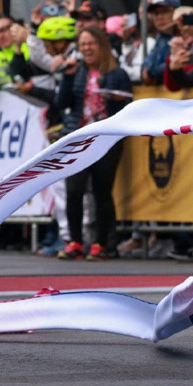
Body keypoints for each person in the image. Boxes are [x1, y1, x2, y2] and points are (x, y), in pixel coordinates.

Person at [55, 25, 133, 261]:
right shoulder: (76, 71)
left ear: (102, 46)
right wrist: (66, 77)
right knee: (74, 190)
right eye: (83, 44)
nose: (86, 48)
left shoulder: (118, 73)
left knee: (102, 192)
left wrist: (119, 100)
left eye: (91, 43)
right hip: (78, 138)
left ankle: (103, 244)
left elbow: (131, 106)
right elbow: (61, 103)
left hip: (106, 139)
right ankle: (75, 242)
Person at [141, 0, 182, 85]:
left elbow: (182, 65)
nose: (159, 17)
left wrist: (151, 73)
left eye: (165, 11)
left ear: (177, 12)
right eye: (156, 13)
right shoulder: (160, 38)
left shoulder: (188, 35)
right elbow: (144, 69)